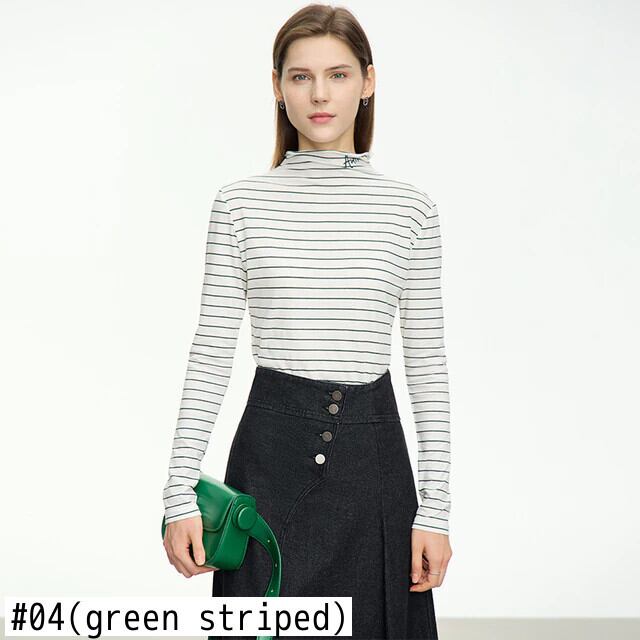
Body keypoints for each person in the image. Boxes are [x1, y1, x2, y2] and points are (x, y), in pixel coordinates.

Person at [162, 4, 452, 639]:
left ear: (368, 82)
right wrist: (178, 492)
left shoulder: (410, 210)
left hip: (376, 471)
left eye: (338, 75)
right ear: (277, 86)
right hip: (268, 464)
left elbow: (427, 366)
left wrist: (436, 509)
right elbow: (211, 350)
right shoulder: (240, 204)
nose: (320, 94)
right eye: (301, 76)